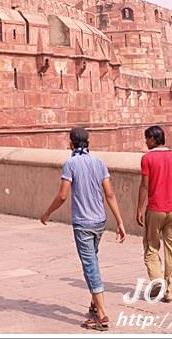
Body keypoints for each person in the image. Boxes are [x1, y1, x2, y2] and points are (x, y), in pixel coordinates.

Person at [40, 126, 126, 331]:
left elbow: (62, 195)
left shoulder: (71, 163)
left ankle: (102, 316)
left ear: (70, 143)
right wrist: (120, 221)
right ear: (88, 142)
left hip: (83, 222)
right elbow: (110, 194)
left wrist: (47, 213)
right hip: (99, 221)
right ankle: (95, 305)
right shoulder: (98, 163)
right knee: (93, 261)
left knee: (90, 266)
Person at [136, 125, 172, 303]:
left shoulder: (147, 158)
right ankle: (170, 290)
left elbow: (144, 185)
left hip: (155, 208)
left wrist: (139, 208)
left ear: (154, 140)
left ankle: (156, 280)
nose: (145, 142)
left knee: (151, 246)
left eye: (147, 139)